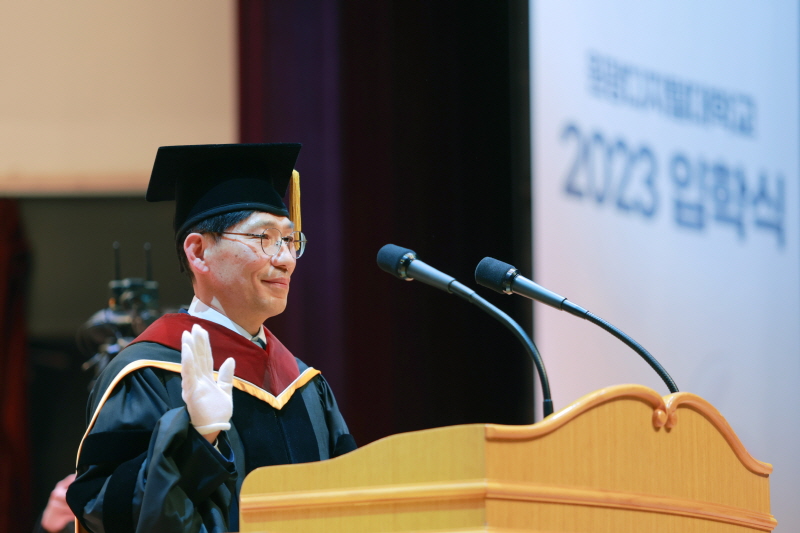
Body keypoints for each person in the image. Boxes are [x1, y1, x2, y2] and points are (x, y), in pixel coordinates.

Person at [66, 144, 355, 533]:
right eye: (265, 237)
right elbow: (106, 510)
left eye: (289, 240)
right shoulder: (148, 374)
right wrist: (196, 442)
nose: (286, 259)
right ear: (199, 252)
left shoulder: (306, 386)